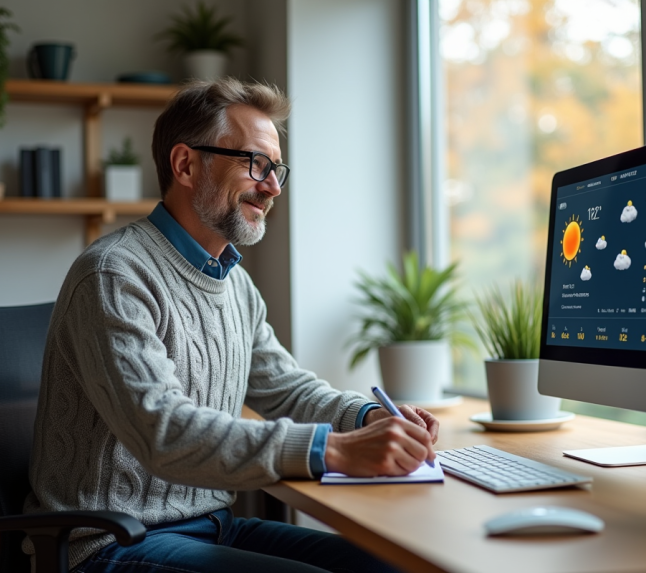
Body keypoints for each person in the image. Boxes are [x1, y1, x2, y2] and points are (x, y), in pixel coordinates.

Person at [23, 77, 439, 573]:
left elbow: (288, 391)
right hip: (110, 542)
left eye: (277, 169)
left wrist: (368, 418)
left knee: (396, 564)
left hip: (211, 523)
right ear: (185, 164)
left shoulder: (234, 285)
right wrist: (336, 450)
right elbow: (165, 432)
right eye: (255, 164)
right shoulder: (114, 274)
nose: (273, 187)